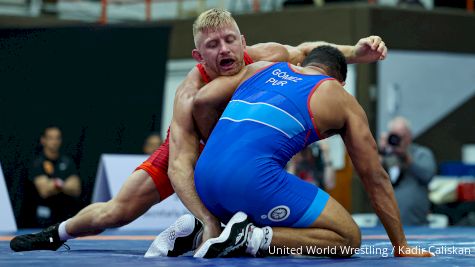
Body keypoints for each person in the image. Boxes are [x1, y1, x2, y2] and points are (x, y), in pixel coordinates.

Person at [10, 8, 387, 253]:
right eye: (212, 45)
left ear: (243, 42)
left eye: (229, 41)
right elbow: (179, 167)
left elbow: (308, 51)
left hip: (238, 152)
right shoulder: (189, 93)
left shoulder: (264, 56)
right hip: (193, 149)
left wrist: (356, 50)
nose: (224, 50)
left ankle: (223, 232)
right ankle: (57, 233)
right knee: (117, 211)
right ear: (199, 56)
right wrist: (208, 219)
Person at [188, 46, 432, 258]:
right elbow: (374, 177)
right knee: (347, 238)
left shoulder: (261, 68)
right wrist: (400, 245)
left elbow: (202, 100)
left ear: (300, 65)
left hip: (204, 181)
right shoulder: (336, 94)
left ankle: (200, 230)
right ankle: (250, 237)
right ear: (341, 82)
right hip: (250, 183)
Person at [379, 116, 436, 225]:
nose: (398, 139)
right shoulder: (385, 156)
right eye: (395, 135)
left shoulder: (421, 153)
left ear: (410, 136)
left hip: (415, 223)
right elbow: (369, 175)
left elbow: (427, 175)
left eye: (402, 136)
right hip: (385, 223)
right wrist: (381, 150)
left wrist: (406, 157)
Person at [29, 126, 82, 227]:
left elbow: (76, 189)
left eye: (57, 138)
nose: (55, 141)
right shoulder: (37, 163)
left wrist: (57, 184)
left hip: (65, 214)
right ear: (43, 140)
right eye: (51, 138)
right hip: (43, 216)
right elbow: (44, 191)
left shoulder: (68, 162)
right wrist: (65, 185)